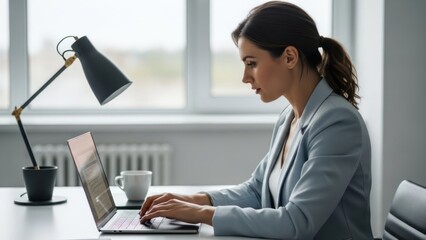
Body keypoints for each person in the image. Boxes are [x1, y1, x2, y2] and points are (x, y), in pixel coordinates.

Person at [139, 1, 373, 239]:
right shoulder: (288, 118)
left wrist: (201, 213)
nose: (244, 77)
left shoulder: (337, 122)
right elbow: (255, 190)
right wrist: (191, 200)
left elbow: (297, 222)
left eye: (252, 63)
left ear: (290, 57)